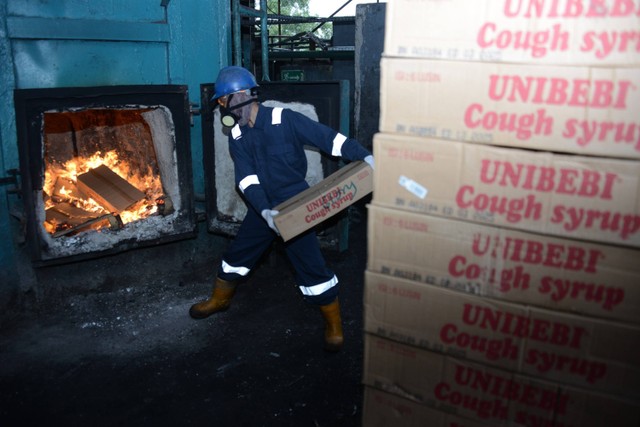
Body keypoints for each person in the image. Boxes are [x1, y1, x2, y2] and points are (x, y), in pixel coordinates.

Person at [189, 65, 374, 352]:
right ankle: (220, 299)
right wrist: (264, 212)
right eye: (220, 102)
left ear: (242, 96)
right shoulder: (236, 136)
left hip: (294, 203)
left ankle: (334, 324)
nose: (222, 107)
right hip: (263, 207)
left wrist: (365, 157)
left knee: (310, 263)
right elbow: (247, 179)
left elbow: (328, 139)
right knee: (239, 253)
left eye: (224, 100)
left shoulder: (283, 118)